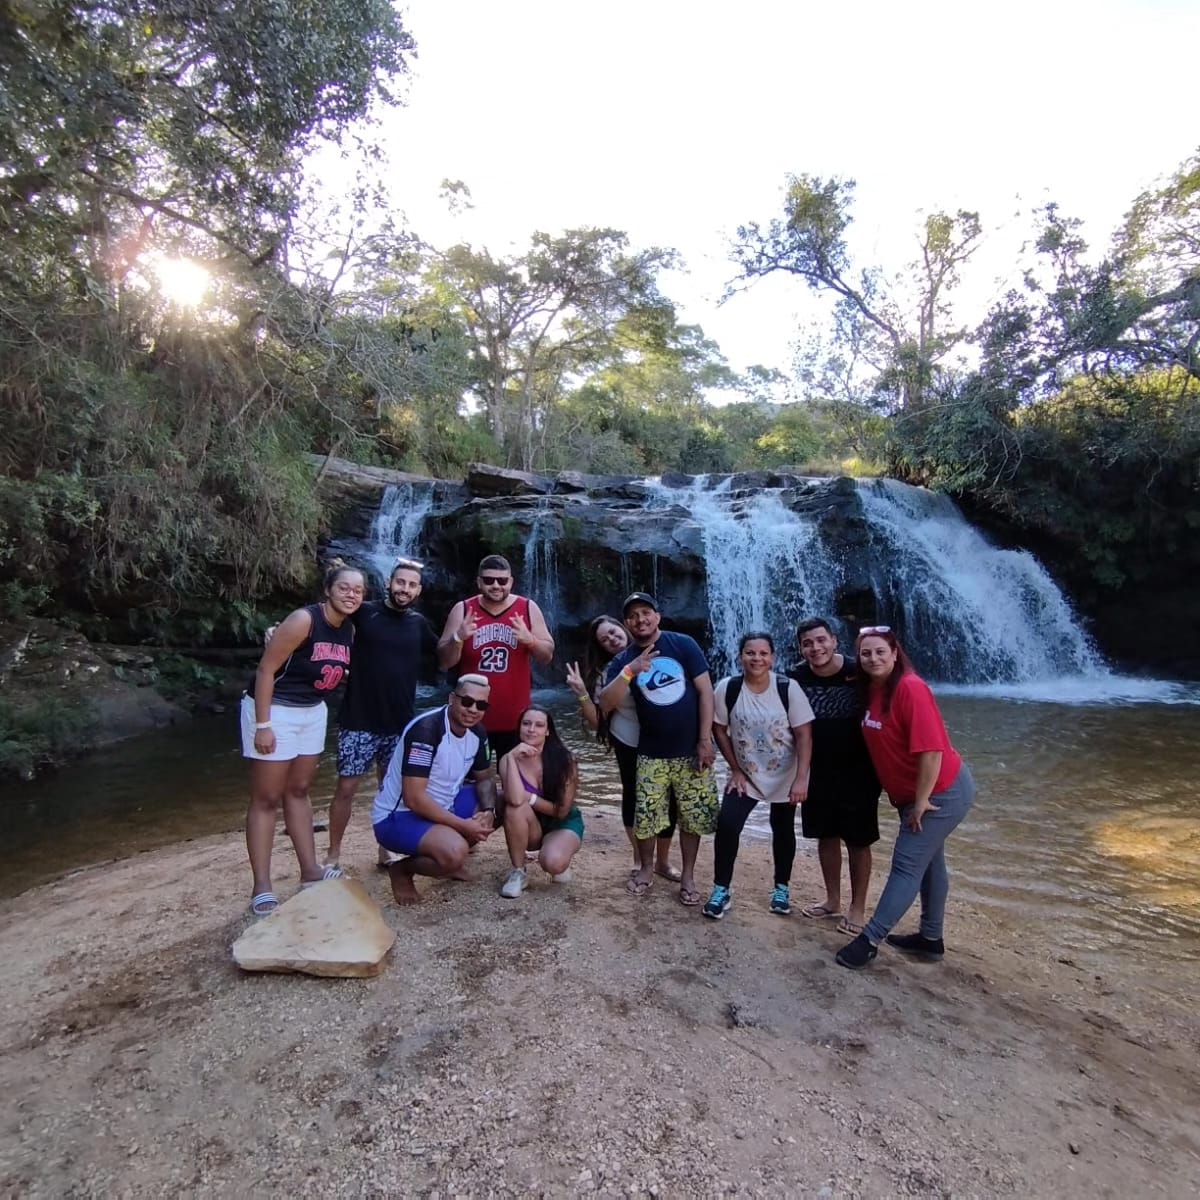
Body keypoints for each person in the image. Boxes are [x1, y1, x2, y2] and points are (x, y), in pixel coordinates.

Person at [835, 626, 977, 970]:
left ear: (895, 653)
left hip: (940, 793)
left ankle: (869, 940)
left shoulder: (911, 688)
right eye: (866, 653)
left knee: (906, 866)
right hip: (913, 796)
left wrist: (921, 801)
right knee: (929, 864)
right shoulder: (869, 687)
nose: (873, 659)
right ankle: (930, 939)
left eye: (881, 652)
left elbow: (931, 752)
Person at [242, 562, 363, 916]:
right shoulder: (303, 620)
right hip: (275, 709)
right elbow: (266, 670)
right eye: (344, 588)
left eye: (358, 590)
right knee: (266, 797)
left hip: (313, 710)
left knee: (298, 790)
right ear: (328, 590)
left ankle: (310, 870)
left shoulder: (350, 630)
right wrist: (263, 724)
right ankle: (261, 886)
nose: (351, 595)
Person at [599, 592, 718, 906]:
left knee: (691, 818)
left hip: (692, 750)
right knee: (646, 815)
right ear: (626, 623)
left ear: (657, 616)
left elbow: (706, 693)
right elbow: (605, 703)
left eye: (646, 612)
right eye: (633, 615)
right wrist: (632, 670)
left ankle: (689, 875)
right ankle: (647, 869)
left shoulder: (684, 645)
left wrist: (705, 740)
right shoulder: (624, 661)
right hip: (650, 753)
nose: (641, 619)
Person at [323, 557, 438, 869]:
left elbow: (445, 656)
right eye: (400, 582)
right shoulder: (364, 612)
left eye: (411, 585)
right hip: (358, 719)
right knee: (346, 788)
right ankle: (333, 855)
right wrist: (279, 630)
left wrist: (461, 637)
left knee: (391, 789)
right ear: (389, 583)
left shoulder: (419, 624)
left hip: (400, 723)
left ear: (419, 591)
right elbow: (326, 621)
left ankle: (385, 848)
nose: (405, 588)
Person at [704, 632, 814, 920]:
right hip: (747, 776)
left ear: (772, 657)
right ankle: (721, 889)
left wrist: (802, 777)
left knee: (783, 828)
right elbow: (718, 728)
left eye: (763, 653)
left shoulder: (787, 688)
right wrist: (735, 768)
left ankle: (781, 888)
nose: (757, 658)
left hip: (785, 774)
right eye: (750, 653)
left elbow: (804, 734)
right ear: (740, 656)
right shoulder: (728, 688)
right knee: (728, 824)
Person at [565, 614, 680, 881]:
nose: (612, 639)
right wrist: (582, 692)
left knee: (668, 799)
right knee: (634, 797)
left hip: (665, 739)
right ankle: (640, 857)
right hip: (629, 740)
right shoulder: (607, 673)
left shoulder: (660, 653)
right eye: (604, 639)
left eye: (613, 632)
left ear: (623, 627)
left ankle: (662, 861)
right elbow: (597, 720)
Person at [789, 617, 882, 936]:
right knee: (826, 836)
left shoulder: (860, 671)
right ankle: (832, 900)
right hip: (817, 769)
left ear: (834, 641)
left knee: (858, 840)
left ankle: (858, 907)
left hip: (861, 770)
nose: (815, 648)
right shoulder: (795, 677)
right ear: (801, 648)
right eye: (807, 643)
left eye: (820, 640)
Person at [371, 674, 499, 906]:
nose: (473, 709)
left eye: (481, 705)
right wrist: (463, 825)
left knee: (502, 801)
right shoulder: (427, 730)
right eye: (467, 701)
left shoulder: (478, 733)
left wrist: (489, 810)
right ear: (452, 698)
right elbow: (414, 798)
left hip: (442, 806)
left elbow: (485, 779)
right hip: (398, 816)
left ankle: (446, 859)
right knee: (455, 851)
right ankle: (403, 869)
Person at [437, 554, 555, 762]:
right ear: (479, 582)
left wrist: (530, 640)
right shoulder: (463, 609)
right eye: (489, 580)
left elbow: (547, 656)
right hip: (470, 719)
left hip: (516, 721)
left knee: (516, 786)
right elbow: (445, 662)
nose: (496, 585)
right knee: (468, 784)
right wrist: (458, 638)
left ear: (511, 581)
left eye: (502, 580)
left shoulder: (527, 608)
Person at [497, 706, 585, 898]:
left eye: (539, 725)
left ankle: (556, 853)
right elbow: (513, 798)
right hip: (531, 824)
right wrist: (512, 757)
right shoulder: (507, 759)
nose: (531, 729)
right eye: (526, 723)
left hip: (562, 823)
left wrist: (529, 797)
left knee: (553, 863)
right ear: (519, 727)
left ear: (547, 731)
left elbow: (562, 811)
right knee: (514, 807)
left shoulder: (565, 759)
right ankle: (519, 872)